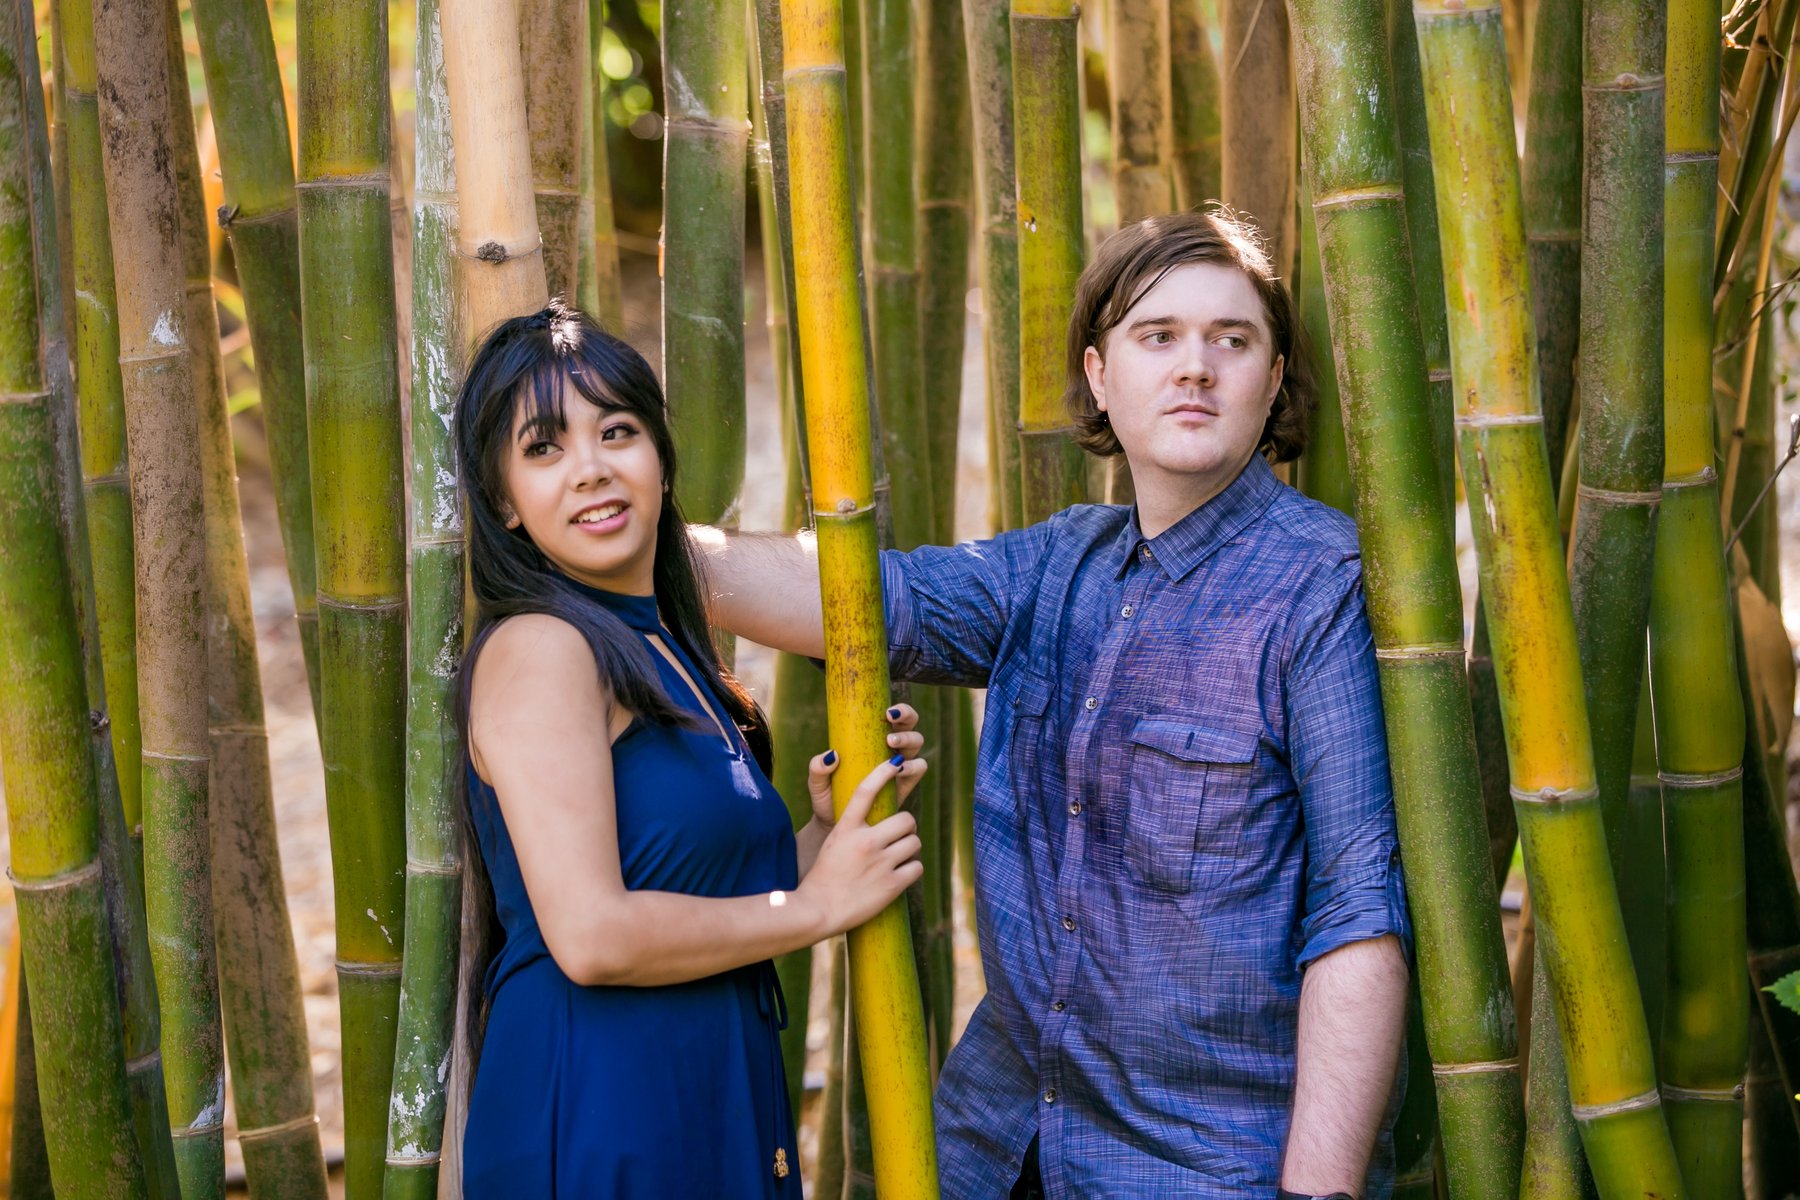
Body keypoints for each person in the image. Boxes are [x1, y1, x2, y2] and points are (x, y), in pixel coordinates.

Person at [697, 208, 1411, 1198]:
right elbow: (860, 598)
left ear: (1274, 378)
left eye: (1232, 340)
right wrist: (630, 541)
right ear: (1099, 375)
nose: (1195, 367)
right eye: (1158, 336)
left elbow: (1359, 915)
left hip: (1203, 1165)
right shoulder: (1054, 566)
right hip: (996, 1144)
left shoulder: (1321, 590)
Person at [452, 301, 928, 1198]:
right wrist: (815, 906)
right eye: (544, 448)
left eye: (617, 431)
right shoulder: (544, 648)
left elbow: (698, 897)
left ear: (661, 461)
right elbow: (592, 935)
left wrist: (827, 838)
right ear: (505, 502)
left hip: (697, 1091)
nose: (591, 469)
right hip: (600, 1108)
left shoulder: (664, 646)